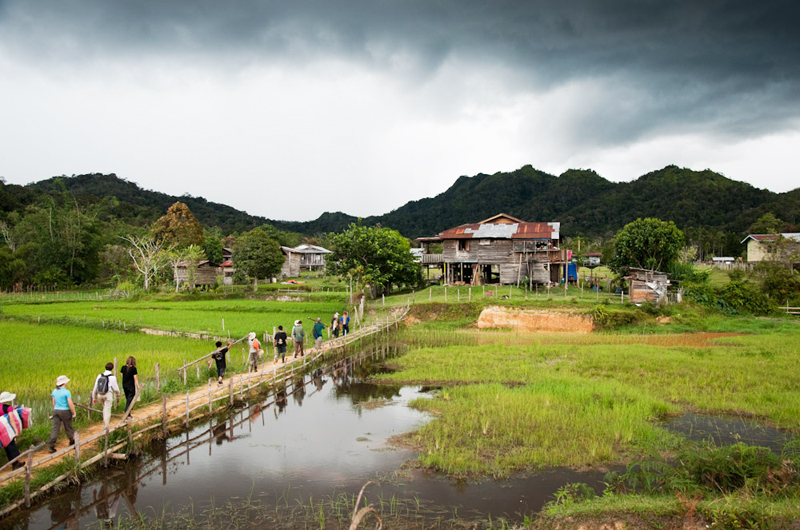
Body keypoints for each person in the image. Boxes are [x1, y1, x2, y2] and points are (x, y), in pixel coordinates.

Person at [48, 375, 76, 453]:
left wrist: (55, 409)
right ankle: (71, 441)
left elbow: (53, 402)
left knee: (55, 427)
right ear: (64, 383)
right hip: (65, 411)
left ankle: (51, 445)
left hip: (56, 410)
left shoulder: (54, 391)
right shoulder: (67, 392)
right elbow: (70, 403)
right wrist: (74, 412)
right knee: (68, 426)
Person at [90, 363, 120, 430]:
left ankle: (105, 423)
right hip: (107, 394)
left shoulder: (99, 376)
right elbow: (116, 388)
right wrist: (118, 394)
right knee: (107, 410)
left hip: (100, 395)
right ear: (112, 368)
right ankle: (106, 426)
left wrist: (94, 398)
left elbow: (95, 387)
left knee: (104, 409)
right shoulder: (112, 377)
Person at [0, 391, 23, 469]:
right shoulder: (8, 408)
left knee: (5, 446)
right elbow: (11, 419)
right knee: (11, 446)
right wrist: (16, 430)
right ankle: (15, 464)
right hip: (7, 430)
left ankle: (13, 463)